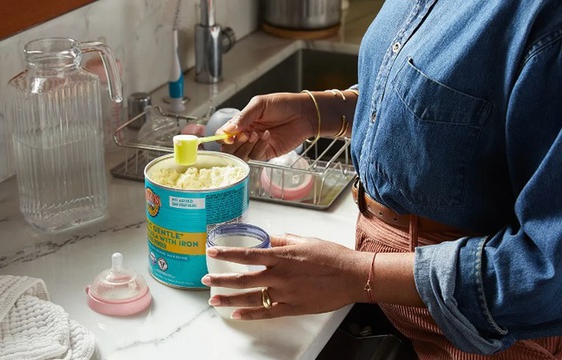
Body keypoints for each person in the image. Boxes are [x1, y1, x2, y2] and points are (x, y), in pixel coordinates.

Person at [199, 1, 562, 359]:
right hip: (399, 310)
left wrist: (357, 275)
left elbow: (549, 274)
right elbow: (445, 106)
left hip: (479, 340)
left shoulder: (548, 20)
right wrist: (319, 112)